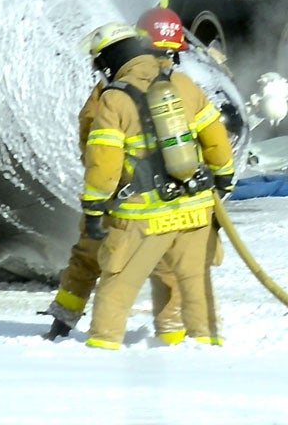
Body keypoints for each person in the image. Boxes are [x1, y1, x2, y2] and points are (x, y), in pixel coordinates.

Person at [79, 18, 235, 350]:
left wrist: (94, 208)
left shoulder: (113, 99)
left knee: (117, 286)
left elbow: (104, 163)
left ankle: (100, 352)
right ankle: (204, 350)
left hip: (145, 215)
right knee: (195, 286)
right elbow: (216, 138)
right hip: (195, 210)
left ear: (108, 61)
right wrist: (222, 180)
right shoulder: (183, 83)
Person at [46, 8, 190, 343]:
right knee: (167, 266)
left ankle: (64, 327)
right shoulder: (179, 87)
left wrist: (101, 192)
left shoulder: (111, 92)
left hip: (120, 198)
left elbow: (92, 147)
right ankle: (172, 339)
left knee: (91, 257)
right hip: (163, 199)